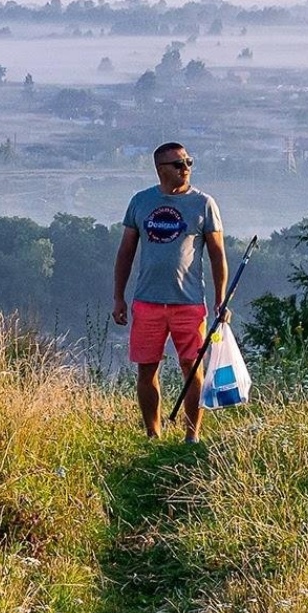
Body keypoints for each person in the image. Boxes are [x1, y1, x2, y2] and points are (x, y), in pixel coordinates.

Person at [113, 142, 228, 441]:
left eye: (188, 161)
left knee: (191, 368)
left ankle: (192, 437)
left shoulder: (203, 203)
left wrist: (221, 299)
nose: (186, 168)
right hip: (147, 301)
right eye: (178, 164)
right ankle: (153, 435)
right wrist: (118, 297)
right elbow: (125, 251)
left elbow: (218, 255)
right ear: (161, 170)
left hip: (189, 303)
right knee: (147, 370)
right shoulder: (140, 202)